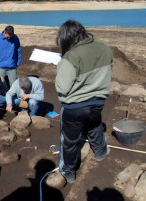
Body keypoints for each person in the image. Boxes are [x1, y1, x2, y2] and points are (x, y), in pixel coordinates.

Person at [46, 20, 113, 188]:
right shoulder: (104, 48)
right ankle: (100, 152)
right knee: (94, 124)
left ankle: (68, 172)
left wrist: (60, 67)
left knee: (69, 141)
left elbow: (63, 88)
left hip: (75, 107)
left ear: (67, 38)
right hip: (98, 102)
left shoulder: (71, 57)